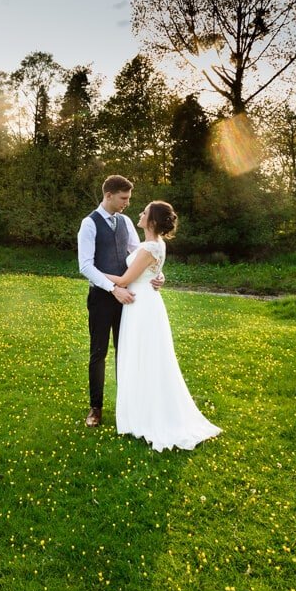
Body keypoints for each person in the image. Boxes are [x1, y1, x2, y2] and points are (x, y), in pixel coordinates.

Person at [104, 201, 222, 451]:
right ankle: (142, 410)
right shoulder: (157, 244)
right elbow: (149, 272)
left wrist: (94, 272)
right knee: (146, 358)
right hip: (146, 303)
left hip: (142, 306)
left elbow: (126, 279)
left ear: (153, 221)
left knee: (144, 357)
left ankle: (147, 416)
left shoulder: (149, 247)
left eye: (145, 212)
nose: (140, 213)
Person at [77, 175, 162, 428]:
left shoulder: (125, 222)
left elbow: (141, 255)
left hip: (129, 300)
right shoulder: (89, 224)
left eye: (129, 198)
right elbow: (85, 266)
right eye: (123, 198)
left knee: (126, 352)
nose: (127, 203)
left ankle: (128, 406)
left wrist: (158, 274)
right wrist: (114, 288)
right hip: (102, 299)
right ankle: (96, 408)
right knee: (99, 353)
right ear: (109, 195)